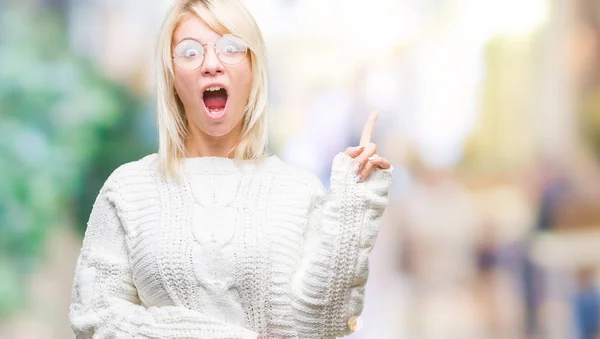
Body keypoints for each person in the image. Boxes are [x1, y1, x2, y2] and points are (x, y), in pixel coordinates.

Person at [68, 0, 392, 338]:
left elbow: (320, 328)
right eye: (191, 52)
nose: (211, 64)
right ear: (172, 77)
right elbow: (94, 319)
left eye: (231, 48)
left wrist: (355, 207)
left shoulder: (298, 191)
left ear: (253, 71)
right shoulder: (128, 190)